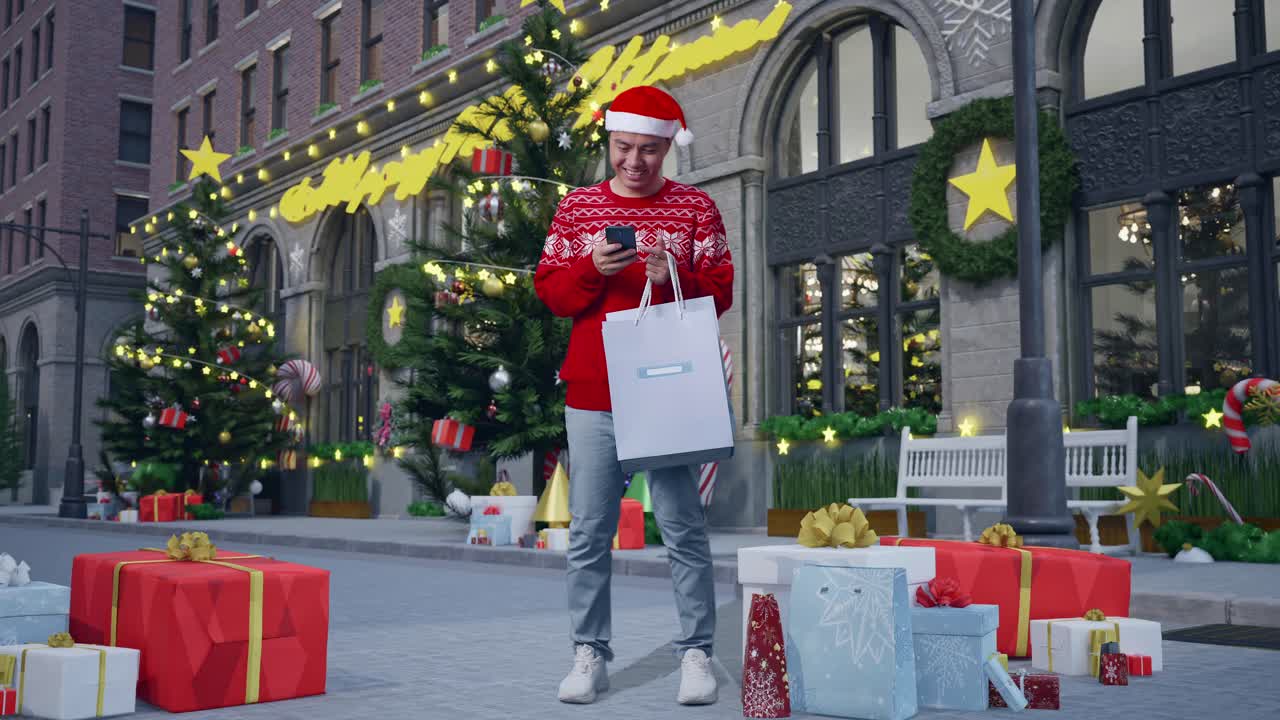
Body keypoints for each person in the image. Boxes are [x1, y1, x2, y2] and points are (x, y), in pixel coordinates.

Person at [534, 85, 734, 706]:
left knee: (682, 527)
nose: (634, 161)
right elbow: (551, 293)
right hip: (594, 392)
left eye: (648, 149)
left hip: (669, 390)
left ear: (668, 146)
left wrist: (675, 276)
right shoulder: (578, 209)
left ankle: (696, 652)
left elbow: (722, 291)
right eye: (623, 147)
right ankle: (589, 653)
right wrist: (592, 267)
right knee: (589, 531)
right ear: (610, 142)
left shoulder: (696, 208)